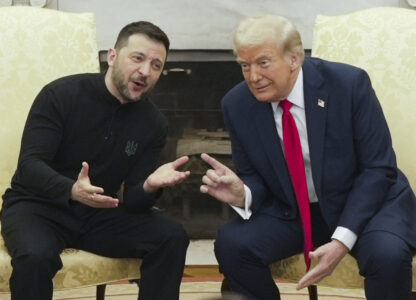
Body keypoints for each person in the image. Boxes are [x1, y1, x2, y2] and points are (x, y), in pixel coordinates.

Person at [200, 14, 416, 300]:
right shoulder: (237, 104)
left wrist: (340, 241)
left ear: (294, 59)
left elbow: (378, 169)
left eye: (263, 63)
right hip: (294, 208)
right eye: (244, 66)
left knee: (387, 255)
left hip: (365, 202)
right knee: (232, 245)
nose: (253, 77)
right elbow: (253, 174)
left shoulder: (349, 85)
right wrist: (244, 194)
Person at [1, 21, 190, 300]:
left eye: (156, 65)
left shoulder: (153, 123)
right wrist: (71, 190)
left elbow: (135, 202)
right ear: (112, 56)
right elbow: (30, 167)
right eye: (137, 58)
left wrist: (150, 185)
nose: (145, 71)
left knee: (171, 238)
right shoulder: (60, 95)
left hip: (97, 213)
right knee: (35, 256)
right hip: (37, 207)